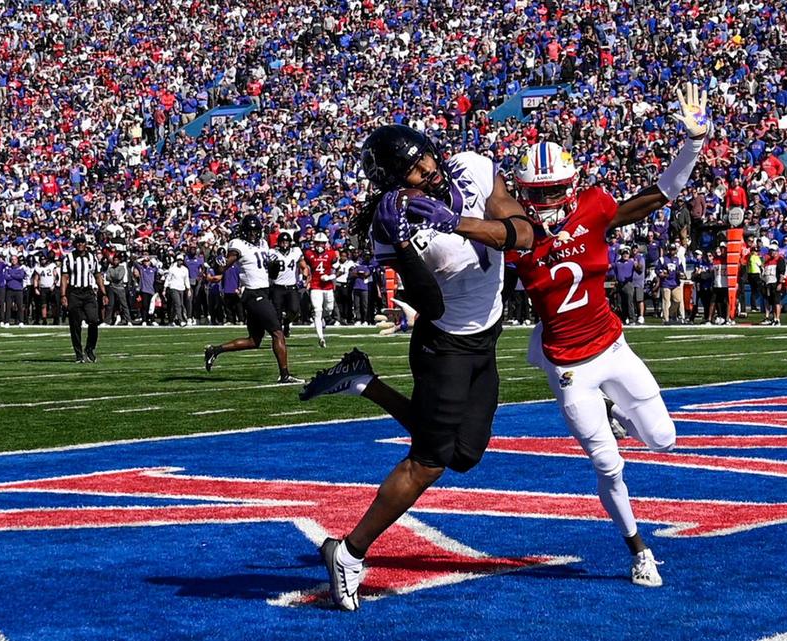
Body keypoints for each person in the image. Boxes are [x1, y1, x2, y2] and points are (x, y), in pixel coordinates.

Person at [299, 123, 534, 611]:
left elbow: (524, 234)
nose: (426, 170)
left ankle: (365, 382)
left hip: (486, 334)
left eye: (424, 157)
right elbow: (428, 302)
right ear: (392, 182)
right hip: (443, 345)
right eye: (411, 169)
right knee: (427, 460)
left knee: (464, 454)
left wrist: (455, 222)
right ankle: (349, 551)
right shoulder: (392, 226)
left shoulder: (471, 169)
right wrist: (404, 245)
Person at [501, 83, 705, 587]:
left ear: (570, 187)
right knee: (608, 466)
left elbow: (660, 194)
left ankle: (618, 413)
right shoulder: (514, 237)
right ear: (523, 193)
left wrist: (695, 142)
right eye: (537, 192)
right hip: (568, 366)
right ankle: (639, 550)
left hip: (613, 347)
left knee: (664, 440)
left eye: (553, 191)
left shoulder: (593, 208)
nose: (545, 200)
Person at [204, 215, 301, 384]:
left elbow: (269, 272)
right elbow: (223, 266)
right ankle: (284, 375)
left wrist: (273, 268)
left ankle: (214, 350)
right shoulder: (237, 245)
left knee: (254, 341)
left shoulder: (263, 243)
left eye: (256, 231)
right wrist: (218, 262)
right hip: (253, 293)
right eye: (250, 232)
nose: (254, 235)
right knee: (277, 332)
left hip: (263, 291)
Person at [61, 236, 106, 362]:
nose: (80, 244)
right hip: (74, 292)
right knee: (75, 324)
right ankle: (78, 354)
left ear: (86, 244)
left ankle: (90, 348)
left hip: (88, 292)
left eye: (82, 242)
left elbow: (98, 275)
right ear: (75, 244)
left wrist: (104, 293)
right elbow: (64, 277)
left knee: (94, 320)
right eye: (78, 243)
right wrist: (63, 295)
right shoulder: (69, 258)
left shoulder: (92, 258)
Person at [302, 232, 338, 347]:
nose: (320, 246)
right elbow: (303, 266)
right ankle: (321, 338)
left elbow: (340, 269)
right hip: (315, 285)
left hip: (327, 286)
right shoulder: (309, 254)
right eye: (318, 243)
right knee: (317, 310)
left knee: (329, 309)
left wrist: (330, 277)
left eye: (322, 243)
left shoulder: (331, 254)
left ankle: (322, 320)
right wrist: (305, 278)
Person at [269, 233, 302, 337]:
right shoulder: (272, 252)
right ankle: (279, 336)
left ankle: (287, 322)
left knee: (294, 310)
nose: (284, 244)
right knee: (277, 313)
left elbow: (303, 265)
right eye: (282, 242)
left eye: (286, 242)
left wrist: (304, 277)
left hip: (291, 286)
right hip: (277, 286)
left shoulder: (295, 252)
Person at [760, 241, 786, 326]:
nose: (771, 252)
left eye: (773, 250)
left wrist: (780, 283)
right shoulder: (767, 261)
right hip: (768, 283)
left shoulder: (780, 260)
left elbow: (782, 273)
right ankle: (773, 318)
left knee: (777, 302)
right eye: (770, 250)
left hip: (775, 283)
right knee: (770, 301)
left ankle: (777, 319)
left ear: (777, 251)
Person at [163, 255, 190, 326]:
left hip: (182, 288)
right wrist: (165, 288)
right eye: (178, 260)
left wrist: (188, 289)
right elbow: (168, 279)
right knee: (178, 304)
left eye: (181, 260)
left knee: (179, 305)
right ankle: (181, 320)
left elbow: (186, 280)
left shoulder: (185, 269)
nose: (179, 261)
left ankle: (171, 320)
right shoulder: (172, 269)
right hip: (173, 288)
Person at [4, 255, 27, 327]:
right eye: (12, 259)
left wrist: (11, 275)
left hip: (18, 290)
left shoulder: (21, 268)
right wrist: (14, 275)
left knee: (20, 306)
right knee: (8, 306)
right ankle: (7, 321)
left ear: (17, 260)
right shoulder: (8, 268)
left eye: (15, 259)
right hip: (9, 289)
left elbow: (20, 276)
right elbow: (5, 276)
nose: (13, 261)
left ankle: (21, 321)